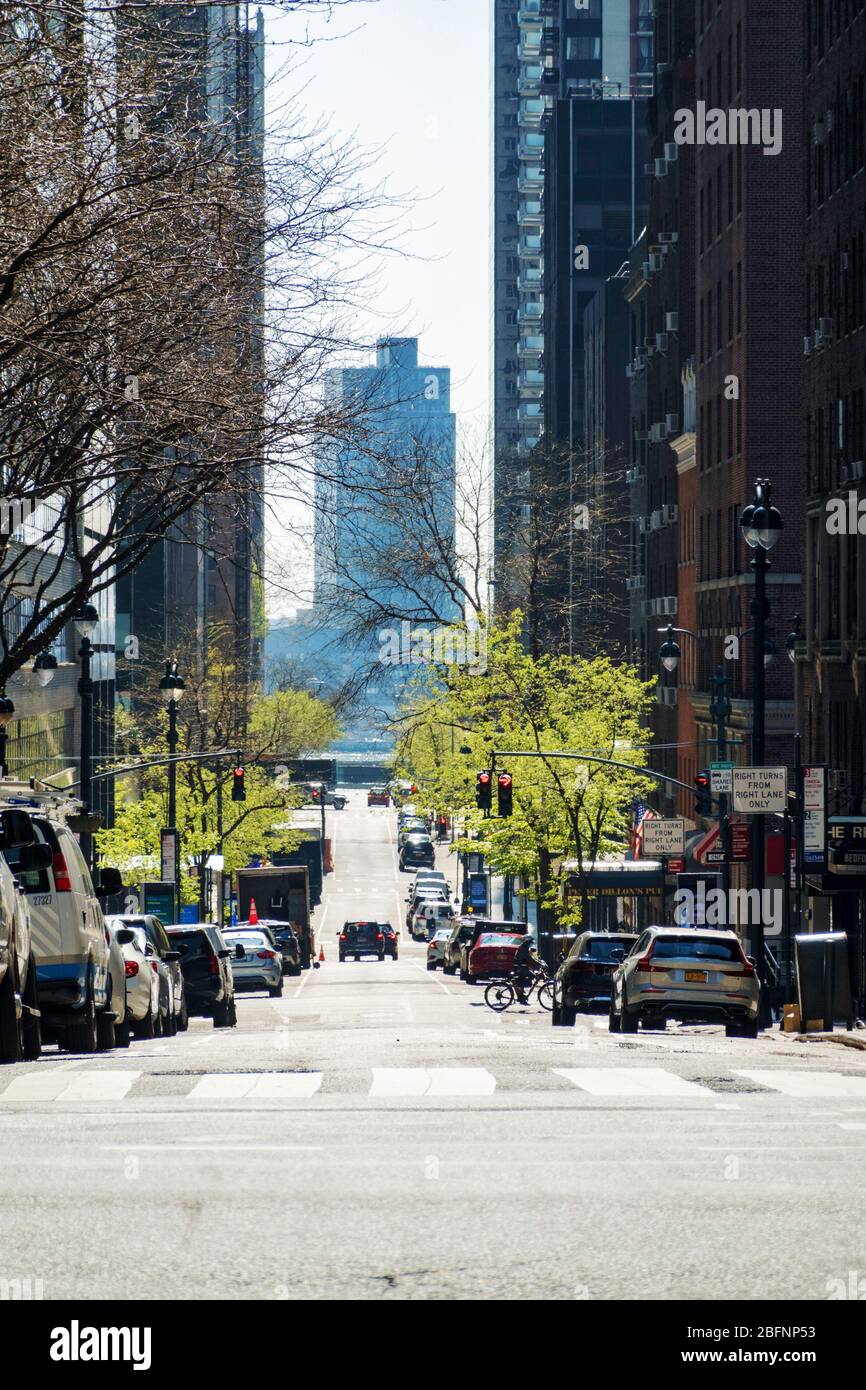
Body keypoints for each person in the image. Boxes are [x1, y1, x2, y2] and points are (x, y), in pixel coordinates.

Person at [511, 932, 541, 1005]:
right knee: (532, 976)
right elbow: (529, 959)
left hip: (521, 967)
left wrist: (538, 961)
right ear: (527, 942)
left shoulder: (524, 947)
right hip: (520, 967)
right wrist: (538, 964)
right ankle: (521, 994)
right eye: (530, 942)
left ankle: (521, 994)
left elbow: (530, 957)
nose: (531, 944)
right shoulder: (523, 948)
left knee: (524, 978)